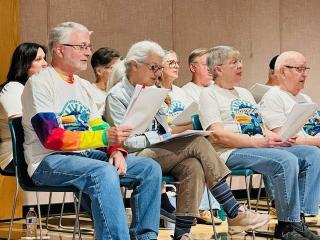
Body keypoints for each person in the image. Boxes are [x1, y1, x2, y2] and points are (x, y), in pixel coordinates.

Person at [105, 40, 270, 240]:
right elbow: (125, 142)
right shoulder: (116, 96)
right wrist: (161, 136)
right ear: (134, 65)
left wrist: (169, 134)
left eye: (159, 67)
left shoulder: (152, 91)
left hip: (160, 151)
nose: (157, 73)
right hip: (133, 157)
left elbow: (164, 128)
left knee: (193, 165)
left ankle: (182, 234)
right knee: (198, 143)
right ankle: (233, 210)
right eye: (154, 67)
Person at [21, 22, 162, 240]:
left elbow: (99, 125)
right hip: (47, 161)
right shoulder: (39, 83)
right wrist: (105, 137)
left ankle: (146, 237)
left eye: (89, 46)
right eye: (81, 46)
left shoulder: (82, 85)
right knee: (103, 172)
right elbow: (51, 137)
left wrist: (115, 149)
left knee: (149, 169)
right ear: (59, 49)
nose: (88, 52)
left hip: (83, 156)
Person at [199, 45, 320, 240]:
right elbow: (217, 136)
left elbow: (260, 126)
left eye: (240, 61)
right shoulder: (208, 94)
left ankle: (300, 219)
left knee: (310, 153)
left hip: (258, 146)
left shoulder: (244, 93)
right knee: (285, 160)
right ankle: (287, 225)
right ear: (219, 69)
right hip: (230, 152)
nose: (240, 65)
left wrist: (275, 138)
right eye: (234, 62)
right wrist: (257, 143)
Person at [156, 49, 221, 225]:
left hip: (183, 145)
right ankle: (228, 205)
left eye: (177, 62)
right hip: (161, 147)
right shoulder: (154, 92)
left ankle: (184, 227)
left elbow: (192, 121)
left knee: (195, 162)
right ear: (158, 67)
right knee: (200, 144)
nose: (176, 66)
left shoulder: (180, 93)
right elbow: (164, 130)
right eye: (171, 63)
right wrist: (183, 127)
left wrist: (184, 126)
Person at [0, 42, 47, 174]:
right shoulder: (13, 88)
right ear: (24, 64)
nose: (45, 63)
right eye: (38, 59)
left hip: (35, 152)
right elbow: (22, 127)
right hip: (14, 156)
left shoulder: (35, 91)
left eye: (44, 58)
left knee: (90, 158)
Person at [260, 51, 320, 145]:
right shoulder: (273, 97)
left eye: (305, 69)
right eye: (299, 69)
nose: (305, 74)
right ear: (283, 72)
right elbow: (283, 139)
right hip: (302, 151)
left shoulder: (306, 98)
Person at [90, 47, 121, 115]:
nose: (118, 71)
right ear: (99, 71)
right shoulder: (90, 93)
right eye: (113, 68)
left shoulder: (119, 90)